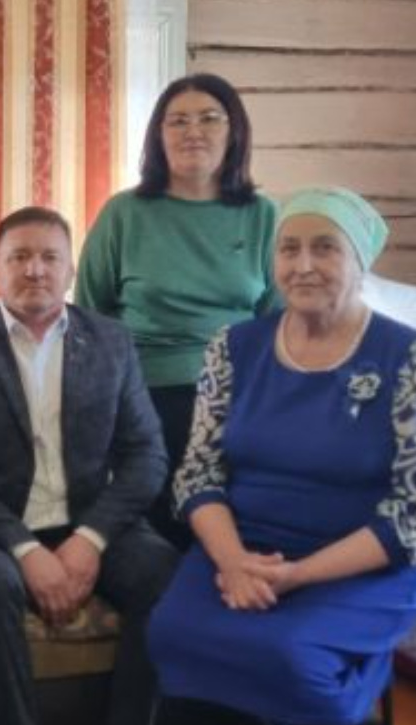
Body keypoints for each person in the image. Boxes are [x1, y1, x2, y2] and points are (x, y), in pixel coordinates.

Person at [148, 187, 416, 725]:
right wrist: (234, 561)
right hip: (246, 548)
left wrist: (297, 576)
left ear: (360, 261)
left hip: (362, 564)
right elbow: (198, 474)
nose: (303, 265)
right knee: (173, 634)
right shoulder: (233, 347)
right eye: (288, 249)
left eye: (325, 248)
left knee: (292, 656)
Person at [0, 207, 177, 725]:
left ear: (69, 271)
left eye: (48, 257)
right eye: (19, 257)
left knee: (165, 575)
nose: (35, 269)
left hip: (87, 518)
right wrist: (24, 549)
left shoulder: (111, 341)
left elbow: (147, 455)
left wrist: (91, 539)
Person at [76, 73, 279, 548]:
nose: (194, 131)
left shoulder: (263, 215)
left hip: (239, 393)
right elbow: (91, 318)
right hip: (146, 393)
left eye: (209, 118)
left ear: (234, 131)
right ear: (158, 136)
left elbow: (277, 321)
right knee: (164, 535)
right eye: (178, 121)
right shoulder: (124, 213)